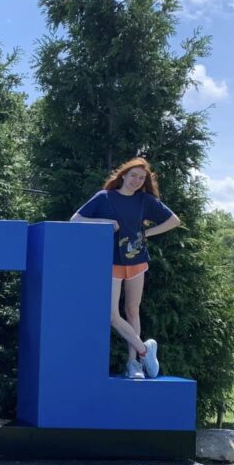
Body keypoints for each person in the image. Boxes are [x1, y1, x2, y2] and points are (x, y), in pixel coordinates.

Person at [71, 157, 181, 379]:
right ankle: (144, 349)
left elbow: (174, 221)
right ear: (123, 175)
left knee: (132, 311)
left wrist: (145, 234)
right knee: (112, 316)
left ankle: (134, 364)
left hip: (137, 261)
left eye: (142, 178)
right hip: (111, 261)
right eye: (133, 176)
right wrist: (104, 222)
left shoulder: (145, 200)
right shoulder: (104, 198)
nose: (137, 181)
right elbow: (75, 219)